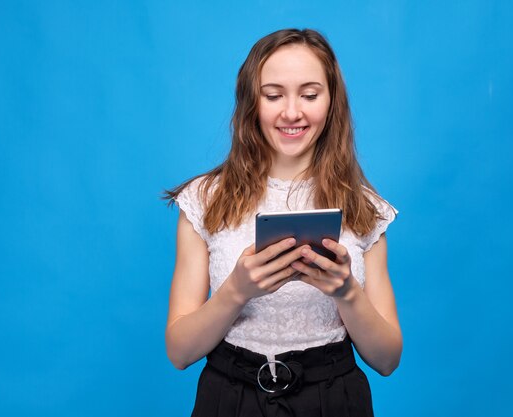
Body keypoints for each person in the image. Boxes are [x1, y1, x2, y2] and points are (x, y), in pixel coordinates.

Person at [165, 28, 402, 417]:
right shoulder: (204, 199)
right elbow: (179, 352)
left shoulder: (364, 207)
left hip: (333, 400)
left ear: (332, 102)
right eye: (273, 95)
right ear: (250, 102)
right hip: (230, 398)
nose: (292, 112)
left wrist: (347, 293)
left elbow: (387, 360)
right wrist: (236, 291)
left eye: (309, 95)